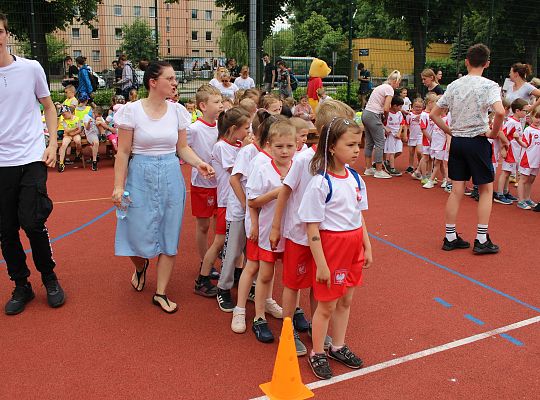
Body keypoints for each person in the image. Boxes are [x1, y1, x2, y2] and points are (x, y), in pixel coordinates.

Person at [112, 61, 214, 313]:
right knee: (132, 233)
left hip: (170, 173)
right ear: (153, 82)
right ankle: (140, 266)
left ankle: (161, 292)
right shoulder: (131, 111)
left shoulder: (177, 111)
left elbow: (182, 148)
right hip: (140, 175)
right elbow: (123, 152)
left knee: (169, 234)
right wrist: (118, 186)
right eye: (169, 78)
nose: (174, 82)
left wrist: (199, 163)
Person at [269, 100, 356, 356]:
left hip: (324, 237)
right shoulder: (304, 159)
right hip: (299, 234)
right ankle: (288, 330)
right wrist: (275, 227)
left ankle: (318, 328)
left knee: (320, 284)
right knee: (293, 284)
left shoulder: (341, 164)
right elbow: (285, 192)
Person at [0, 12, 65, 315]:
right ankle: (21, 285)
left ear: (6, 34)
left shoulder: (30, 68)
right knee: (6, 229)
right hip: (2, 165)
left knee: (33, 221)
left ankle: (49, 278)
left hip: (30, 157)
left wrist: (52, 143)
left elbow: (49, 106)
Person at [299, 117, 372, 380]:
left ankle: (337, 345)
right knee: (327, 305)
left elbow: (358, 214)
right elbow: (312, 229)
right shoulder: (321, 183)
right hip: (333, 248)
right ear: (331, 147)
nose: (356, 149)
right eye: (350, 144)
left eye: (358, 144)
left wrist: (367, 244)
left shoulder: (355, 178)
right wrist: (320, 263)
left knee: (346, 299)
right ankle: (317, 352)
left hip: (353, 246)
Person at [430, 43, 505, 255]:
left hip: (459, 142)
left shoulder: (454, 85)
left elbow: (434, 114)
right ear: (487, 63)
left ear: (466, 61)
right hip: (478, 141)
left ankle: (450, 236)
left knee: (456, 189)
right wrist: (492, 133)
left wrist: (451, 131)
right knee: (485, 189)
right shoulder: (489, 85)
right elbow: (499, 112)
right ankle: (481, 238)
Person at [231, 113, 286, 334]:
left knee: (268, 268)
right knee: (253, 266)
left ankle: (268, 300)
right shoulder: (259, 162)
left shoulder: (282, 160)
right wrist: (253, 224)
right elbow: (252, 201)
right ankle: (240, 309)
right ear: (269, 140)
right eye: (280, 142)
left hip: (273, 223)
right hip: (259, 224)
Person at [248, 120, 296, 344]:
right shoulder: (262, 167)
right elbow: (253, 201)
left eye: (289, 146)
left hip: (293, 231)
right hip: (269, 230)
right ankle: (259, 317)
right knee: (265, 275)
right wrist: (279, 192)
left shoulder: (299, 166)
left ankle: (293, 314)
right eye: (279, 147)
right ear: (269, 145)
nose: (284, 151)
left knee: (292, 277)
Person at [201, 107, 251, 310]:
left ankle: (236, 274)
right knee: (221, 241)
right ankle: (203, 278)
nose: (248, 132)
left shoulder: (238, 145)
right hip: (225, 202)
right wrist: (246, 149)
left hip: (235, 201)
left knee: (236, 243)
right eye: (246, 128)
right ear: (233, 128)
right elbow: (236, 170)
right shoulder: (222, 147)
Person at [188, 85, 224, 292]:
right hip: (202, 185)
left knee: (220, 224)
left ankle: (218, 257)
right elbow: (183, 150)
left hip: (222, 184)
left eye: (221, 102)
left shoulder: (222, 126)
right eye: (216, 102)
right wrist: (198, 165)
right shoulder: (194, 129)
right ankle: (205, 262)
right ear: (203, 106)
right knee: (203, 226)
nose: (220, 106)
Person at [362, 70, 402, 179]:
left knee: (369, 142)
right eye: (399, 82)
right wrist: (386, 118)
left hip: (366, 113)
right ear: (394, 81)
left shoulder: (381, 86)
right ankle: (379, 170)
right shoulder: (389, 89)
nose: (399, 84)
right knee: (380, 142)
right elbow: (386, 108)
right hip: (374, 115)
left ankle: (368, 168)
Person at [494, 99, 527, 205]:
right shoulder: (511, 122)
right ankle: (499, 194)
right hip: (510, 151)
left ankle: (505, 191)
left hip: (515, 151)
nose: (526, 113)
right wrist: (504, 148)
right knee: (505, 172)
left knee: (509, 173)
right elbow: (502, 133)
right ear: (517, 111)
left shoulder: (517, 122)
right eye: (525, 111)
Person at [515, 107, 540, 209]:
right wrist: (517, 139)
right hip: (527, 159)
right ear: (531, 117)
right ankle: (520, 200)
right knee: (523, 179)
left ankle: (527, 198)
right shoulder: (528, 130)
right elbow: (525, 144)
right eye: (536, 117)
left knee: (531, 180)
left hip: (536, 160)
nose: (538, 120)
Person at [383, 95, 406, 176]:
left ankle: (387, 162)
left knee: (399, 151)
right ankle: (392, 168)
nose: (401, 108)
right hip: (390, 135)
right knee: (391, 152)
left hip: (397, 135)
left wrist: (399, 133)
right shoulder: (387, 113)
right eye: (400, 106)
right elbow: (383, 123)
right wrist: (386, 129)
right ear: (394, 106)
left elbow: (402, 123)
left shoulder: (399, 113)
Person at [57, 105, 82, 173]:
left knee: (78, 141)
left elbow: (79, 129)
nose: (63, 116)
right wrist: (73, 129)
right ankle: (61, 163)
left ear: (69, 112)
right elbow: (66, 130)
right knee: (64, 145)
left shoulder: (77, 118)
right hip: (68, 135)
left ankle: (78, 154)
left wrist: (73, 133)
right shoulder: (64, 120)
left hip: (75, 134)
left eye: (64, 114)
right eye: (62, 115)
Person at [83, 105, 107, 171]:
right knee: (96, 143)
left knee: (99, 121)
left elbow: (105, 127)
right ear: (93, 112)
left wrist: (100, 122)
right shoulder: (87, 116)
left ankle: (103, 135)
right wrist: (88, 123)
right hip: (91, 134)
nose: (97, 116)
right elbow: (87, 128)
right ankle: (94, 161)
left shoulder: (99, 117)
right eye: (97, 115)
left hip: (99, 133)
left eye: (99, 115)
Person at [407, 98, 426, 177]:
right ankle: (411, 166)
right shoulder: (409, 115)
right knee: (411, 152)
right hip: (412, 135)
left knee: (419, 152)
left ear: (423, 107)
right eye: (416, 106)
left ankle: (419, 165)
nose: (418, 108)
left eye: (420, 107)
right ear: (413, 106)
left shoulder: (424, 115)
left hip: (420, 135)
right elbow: (407, 125)